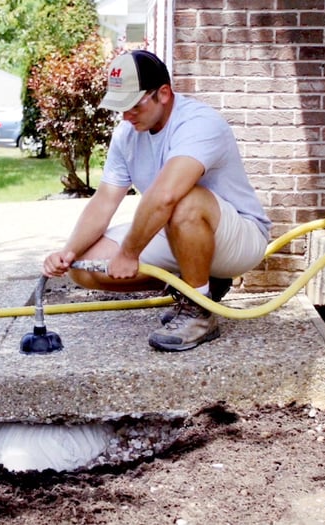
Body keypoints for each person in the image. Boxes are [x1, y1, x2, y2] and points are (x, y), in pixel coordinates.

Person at [43, 49, 271, 352]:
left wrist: (129, 251)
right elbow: (104, 200)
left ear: (163, 93)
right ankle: (199, 281)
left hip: (238, 238)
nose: (126, 116)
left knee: (183, 198)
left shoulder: (199, 123)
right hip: (178, 231)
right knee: (82, 267)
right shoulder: (127, 134)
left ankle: (199, 310)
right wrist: (68, 252)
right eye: (120, 108)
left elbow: (165, 197)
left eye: (134, 105)